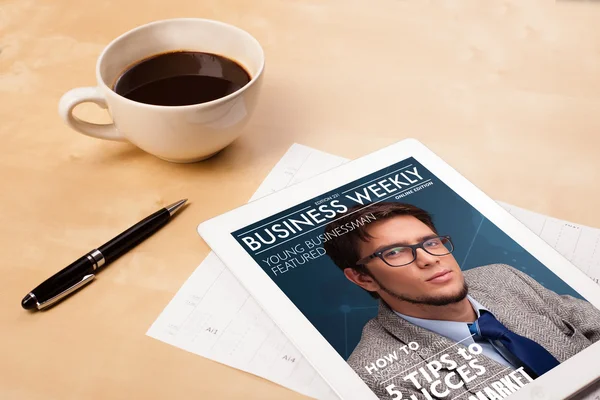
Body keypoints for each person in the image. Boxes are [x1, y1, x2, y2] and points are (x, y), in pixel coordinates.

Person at [323, 201, 600, 399]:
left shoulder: (501, 276)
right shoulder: (373, 377)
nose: (429, 259)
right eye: (395, 252)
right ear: (362, 278)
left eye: (431, 243)